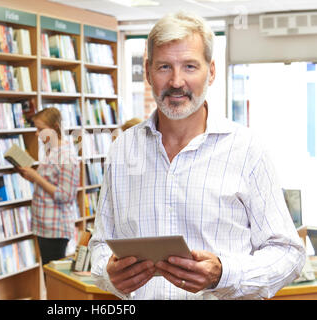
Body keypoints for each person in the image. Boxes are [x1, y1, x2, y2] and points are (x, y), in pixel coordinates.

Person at [88, 11, 306, 300]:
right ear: (149, 70)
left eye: (190, 66)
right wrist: (108, 271)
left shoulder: (247, 149)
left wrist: (223, 274)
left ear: (211, 71)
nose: (176, 81)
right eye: (165, 66)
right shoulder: (122, 149)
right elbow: (100, 243)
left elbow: (288, 254)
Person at [16, 107, 80, 266]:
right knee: (47, 273)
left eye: (41, 129)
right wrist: (30, 176)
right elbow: (47, 184)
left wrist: (36, 176)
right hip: (43, 223)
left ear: (55, 128)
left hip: (56, 227)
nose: (37, 134)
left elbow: (65, 196)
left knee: (53, 279)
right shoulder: (50, 151)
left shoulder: (67, 157)